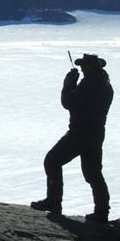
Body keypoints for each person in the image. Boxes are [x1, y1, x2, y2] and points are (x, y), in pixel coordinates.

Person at [30, 53, 114, 222]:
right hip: (96, 134)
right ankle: (102, 211)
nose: (81, 68)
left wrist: (68, 84)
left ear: (90, 67)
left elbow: (68, 102)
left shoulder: (89, 84)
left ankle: (53, 202)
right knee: (94, 174)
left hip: (80, 133)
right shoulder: (105, 84)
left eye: (84, 65)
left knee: (52, 161)